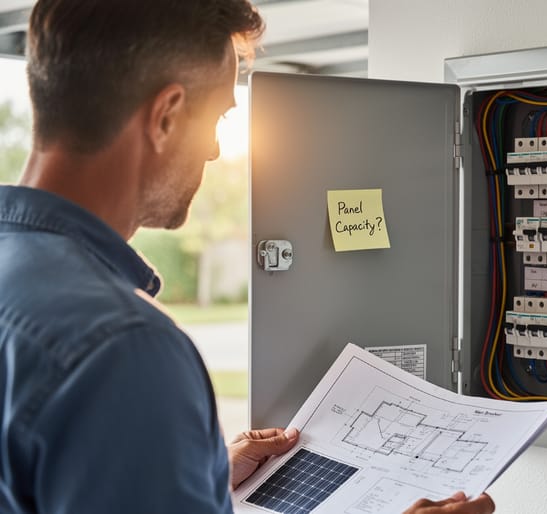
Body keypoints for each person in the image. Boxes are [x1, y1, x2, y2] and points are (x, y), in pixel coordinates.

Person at [0, 1, 495, 513]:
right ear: (166, 116)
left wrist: (198, 473)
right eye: (216, 118)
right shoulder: (123, 348)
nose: (215, 151)